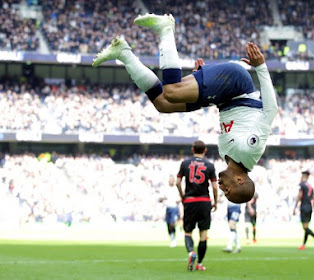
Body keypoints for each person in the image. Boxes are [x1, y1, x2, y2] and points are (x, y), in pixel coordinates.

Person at [92, 13, 278, 204]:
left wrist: (206, 84)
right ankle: (166, 28)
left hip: (223, 97)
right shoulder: (249, 150)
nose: (221, 188)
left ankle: (123, 53)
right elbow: (270, 110)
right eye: (227, 190)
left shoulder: (227, 156)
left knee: (163, 104)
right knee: (173, 91)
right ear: (240, 180)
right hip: (235, 85)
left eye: (223, 192)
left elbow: (235, 116)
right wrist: (261, 67)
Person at [176, 140, 218, 271]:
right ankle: (199, 264)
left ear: (192, 150)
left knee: (188, 232)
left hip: (190, 201)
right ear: (205, 150)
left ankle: (191, 253)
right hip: (204, 201)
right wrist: (215, 202)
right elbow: (215, 187)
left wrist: (183, 196)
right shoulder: (210, 165)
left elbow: (178, 182)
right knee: (203, 234)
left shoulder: (185, 163)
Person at [293, 169, 314, 250]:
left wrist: (295, 207)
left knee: (305, 227)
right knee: (306, 227)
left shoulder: (302, 185)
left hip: (304, 207)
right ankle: (303, 244)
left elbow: (299, 196)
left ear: (303, 177)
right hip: (309, 207)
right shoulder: (310, 186)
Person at [159, 175, 181, 247]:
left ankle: (174, 239)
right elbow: (160, 198)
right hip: (168, 208)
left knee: (172, 223)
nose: (171, 181)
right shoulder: (165, 189)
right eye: (170, 179)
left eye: (172, 179)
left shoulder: (177, 188)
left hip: (174, 208)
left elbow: (181, 197)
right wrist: (162, 199)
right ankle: (172, 238)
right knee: (168, 224)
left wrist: (179, 200)